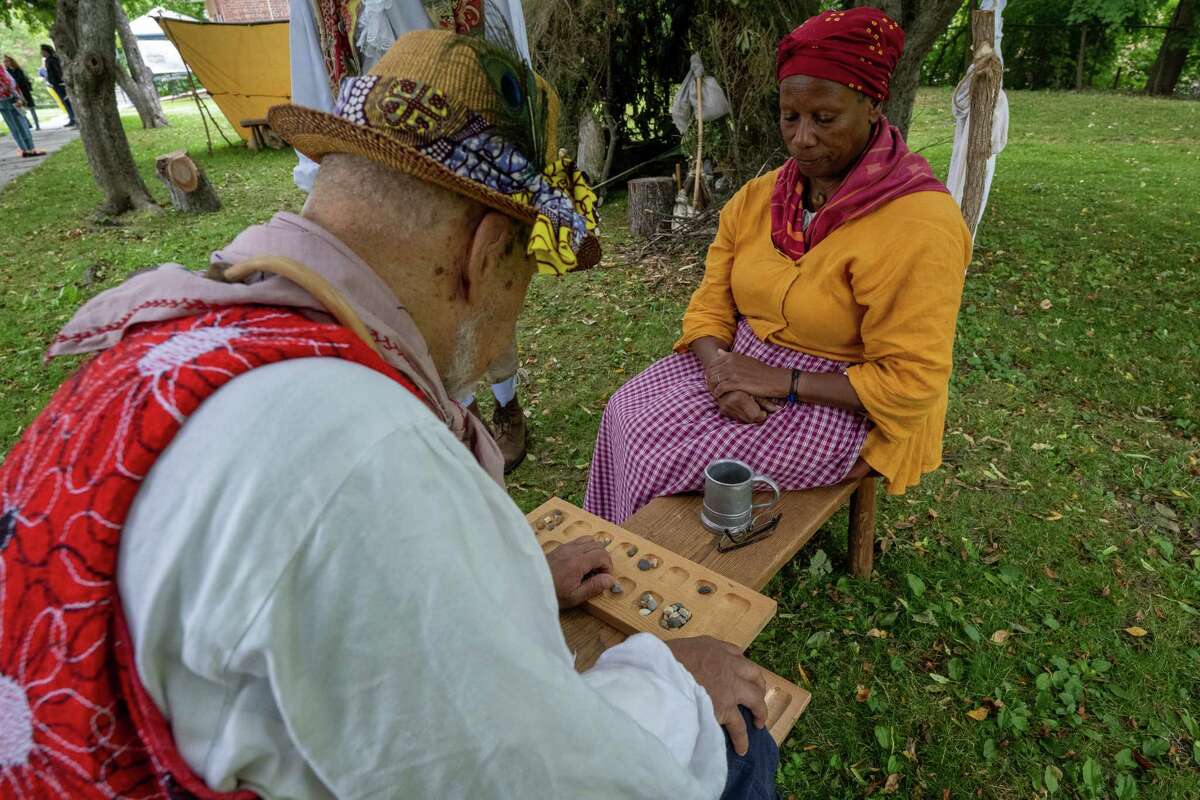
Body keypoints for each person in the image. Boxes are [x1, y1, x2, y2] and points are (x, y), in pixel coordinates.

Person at [0, 30, 777, 799]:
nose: (513, 322)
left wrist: (498, 583)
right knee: (742, 744)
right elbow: (533, 775)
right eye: (525, 281)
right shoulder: (359, 453)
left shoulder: (195, 331)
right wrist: (669, 677)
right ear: (484, 253)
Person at [585, 7, 972, 524]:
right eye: (791, 116)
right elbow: (711, 305)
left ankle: (642, 578)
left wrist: (781, 381)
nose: (802, 138)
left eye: (825, 119)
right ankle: (615, 548)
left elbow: (910, 384)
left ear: (874, 105)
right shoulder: (758, 199)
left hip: (845, 402)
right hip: (738, 361)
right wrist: (721, 371)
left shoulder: (919, 224)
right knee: (624, 412)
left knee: (663, 457)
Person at [290, 0, 533, 472]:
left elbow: (511, 55)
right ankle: (458, 408)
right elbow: (315, 69)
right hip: (372, 169)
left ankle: (501, 403)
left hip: (479, 163)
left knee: (476, 316)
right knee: (432, 317)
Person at [0, 64, 44, 157]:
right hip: (9, 100)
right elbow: (11, 83)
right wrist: (18, 97)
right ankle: (29, 149)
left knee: (15, 126)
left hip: (6, 101)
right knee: (21, 125)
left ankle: (26, 149)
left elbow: (11, 83)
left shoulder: (2, 69)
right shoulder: (2, 70)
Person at [40, 43, 76, 127]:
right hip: (55, 84)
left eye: (42, 51)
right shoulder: (48, 60)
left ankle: (73, 118)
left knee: (66, 101)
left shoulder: (52, 60)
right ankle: (72, 118)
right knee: (64, 102)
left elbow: (58, 71)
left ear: (46, 51)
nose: (41, 53)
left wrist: (62, 81)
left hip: (59, 84)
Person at [3, 55, 39, 130]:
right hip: (16, 93)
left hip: (24, 91)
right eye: (4, 61)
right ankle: (28, 124)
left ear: (11, 61)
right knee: (20, 109)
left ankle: (37, 125)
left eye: (7, 61)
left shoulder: (18, 70)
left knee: (31, 107)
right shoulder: (6, 72)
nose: (5, 63)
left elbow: (22, 81)